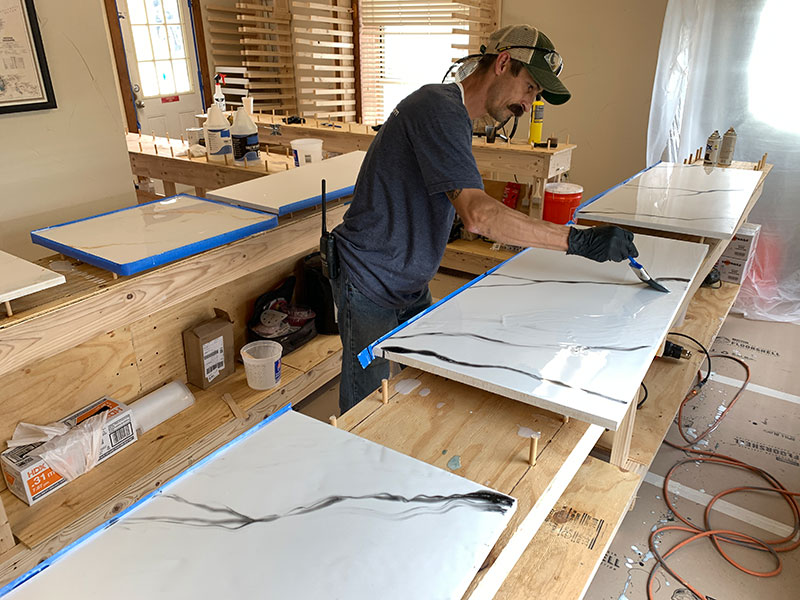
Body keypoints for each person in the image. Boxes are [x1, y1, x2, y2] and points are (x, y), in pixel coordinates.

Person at [330, 24, 638, 414]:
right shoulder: (438, 106)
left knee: (418, 386)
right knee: (368, 406)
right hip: (371, 279)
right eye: (529, 88)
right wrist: (576, 241)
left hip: (407, 279)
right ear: (504, 62)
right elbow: (479, 215)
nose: (528, 105)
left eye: (536, 96)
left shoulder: (454, 115)